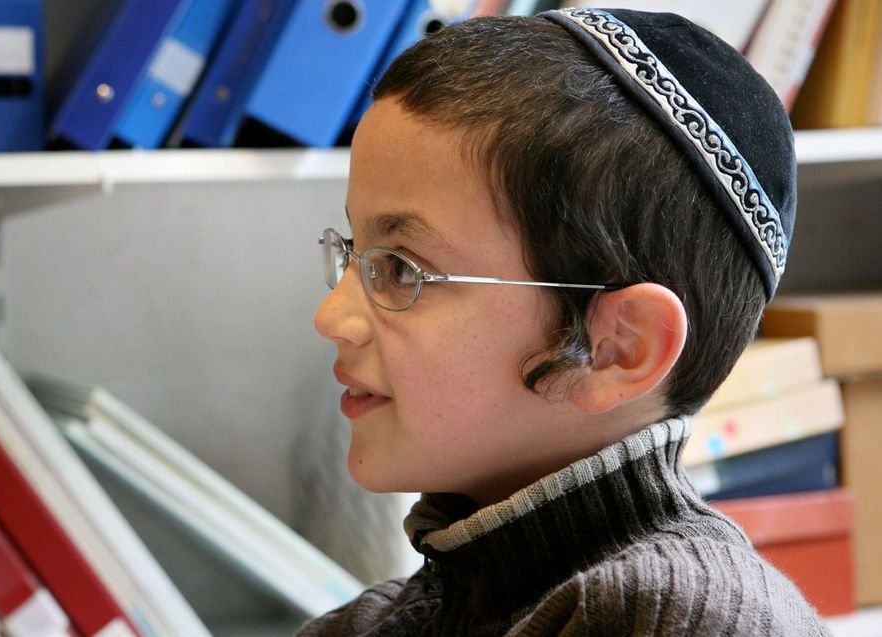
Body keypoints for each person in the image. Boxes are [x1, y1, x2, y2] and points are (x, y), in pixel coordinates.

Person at [303, 7, 828, 636]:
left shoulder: (680, 621)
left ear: (618, 348)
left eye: (403, 270)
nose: (332, 317)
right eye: (353, 254)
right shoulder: (383, 622)